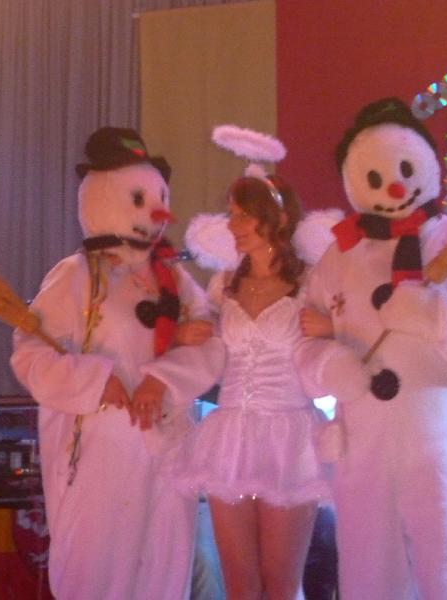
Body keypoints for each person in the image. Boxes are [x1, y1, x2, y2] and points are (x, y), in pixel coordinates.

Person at [294, 98, 447, 599]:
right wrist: (331, 366)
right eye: (376, 177)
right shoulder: (339, 257)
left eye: (404, 170)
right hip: (365, 450)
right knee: (369, 579)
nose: (395, 187)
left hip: (443, 447)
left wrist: (432, 314)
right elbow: (304, 343)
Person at [11, 126, 225, 600]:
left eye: (161, 198)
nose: (158, 212)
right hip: (100, 451)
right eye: (140, 198)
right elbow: (30, 352)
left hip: (167, 445)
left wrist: (162, 380)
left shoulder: (175, 280)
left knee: (162, 571)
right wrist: (96, 380)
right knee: (97, 570)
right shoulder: (75, 276)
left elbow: (210, 344)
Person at [176, 171, 331, 600]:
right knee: (240, 584)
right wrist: (183, 334)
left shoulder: (312, 283)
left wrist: (333, 327)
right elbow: (200, 342)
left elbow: (355, 338)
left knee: (280, 583)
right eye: (232, 214)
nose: (233, 225)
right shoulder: (224, 284)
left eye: (244, 216)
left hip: (289, 439)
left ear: (278, 219)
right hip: (231, 438)